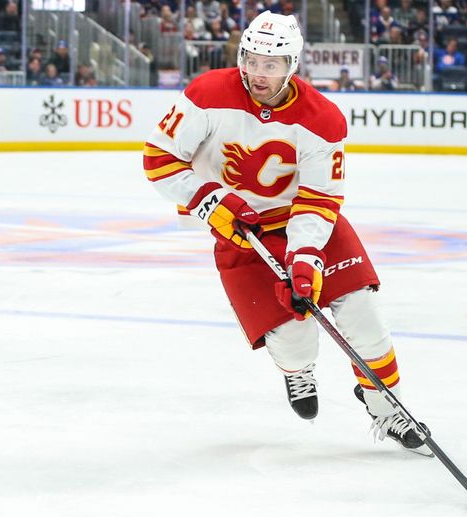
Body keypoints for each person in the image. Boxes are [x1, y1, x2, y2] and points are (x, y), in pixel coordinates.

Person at [142, 11, 431, 453]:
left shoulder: (322, 118)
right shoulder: (207, 94)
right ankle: (298, 371)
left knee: (362, 314)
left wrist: (305, 258)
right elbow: (160, 159)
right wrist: (210, 201)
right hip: (242, 232)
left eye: (271, 64)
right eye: (252, 60)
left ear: (291, 66)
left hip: (309, 223)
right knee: (296, 341)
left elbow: (318, 199)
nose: (258, 73)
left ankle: (384, 404)